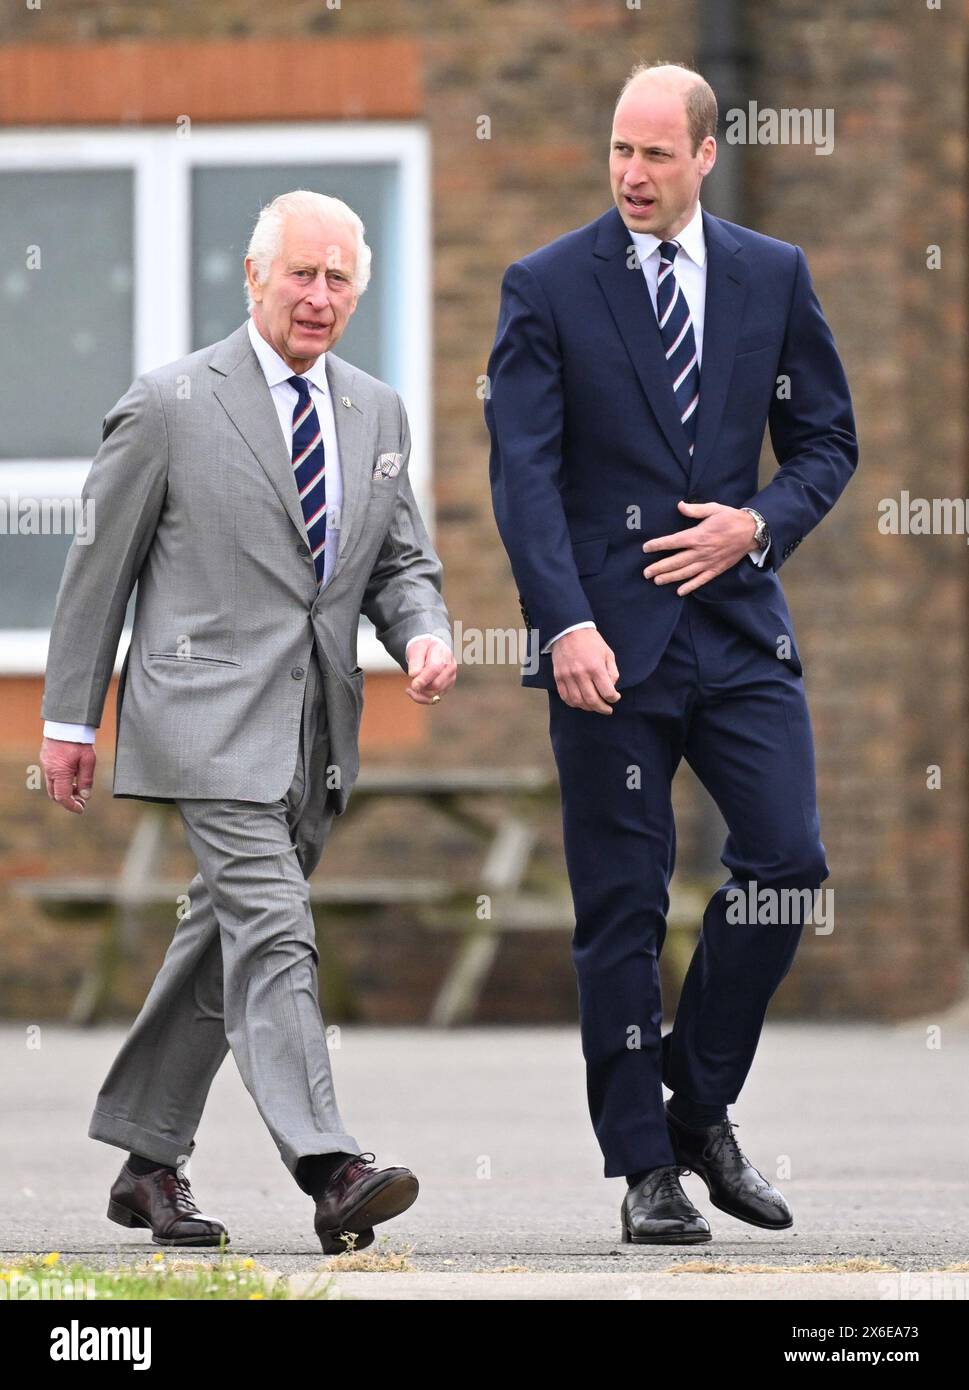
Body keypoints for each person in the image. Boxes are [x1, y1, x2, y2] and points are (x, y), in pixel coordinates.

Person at [40, 189, 457, 1254]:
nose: (319, 296)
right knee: (275, 928)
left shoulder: (378, 411)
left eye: (339, 279)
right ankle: (332, 1165)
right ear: (256, 277)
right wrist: (70, 719)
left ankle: (146, 1160)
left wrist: (422, 632)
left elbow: (399, 561)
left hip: (317, 731)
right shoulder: (174, 401)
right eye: (302, 274)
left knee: (222, 940)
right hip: (203, 719)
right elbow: (100, 566)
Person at [485, 62, 857, 1243]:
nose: (632, 174)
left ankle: (697, 1106)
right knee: (623, 911)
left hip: (740, 630)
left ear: (705, 154)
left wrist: (762, 522)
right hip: (610, 645)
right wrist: (566, 624)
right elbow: (524, 477)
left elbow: (826, 439)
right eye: (618, 151)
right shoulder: (546, 287)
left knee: (788, 862)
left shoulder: (771, 275)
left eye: (656, 153)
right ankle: (644, 1168)